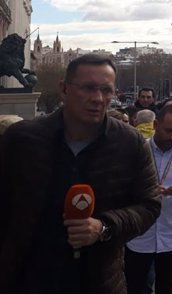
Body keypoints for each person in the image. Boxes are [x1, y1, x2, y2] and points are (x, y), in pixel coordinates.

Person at [0, 53, 161, 294]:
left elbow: (150, 205)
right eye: (87, 88)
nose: (98, 99)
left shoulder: (130, 143)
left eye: (106, 90)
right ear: (64, 90)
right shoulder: (22, 139)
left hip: (99, 281)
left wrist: (104, 227)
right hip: (28, 279)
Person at [125, 104, 172, 294]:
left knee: (167, 288)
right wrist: (145, 192)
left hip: (171, 235)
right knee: (137, 288)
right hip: (140, 236)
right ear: (156, 124)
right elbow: (122, 188)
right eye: (168, 131)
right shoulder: (137, 150)